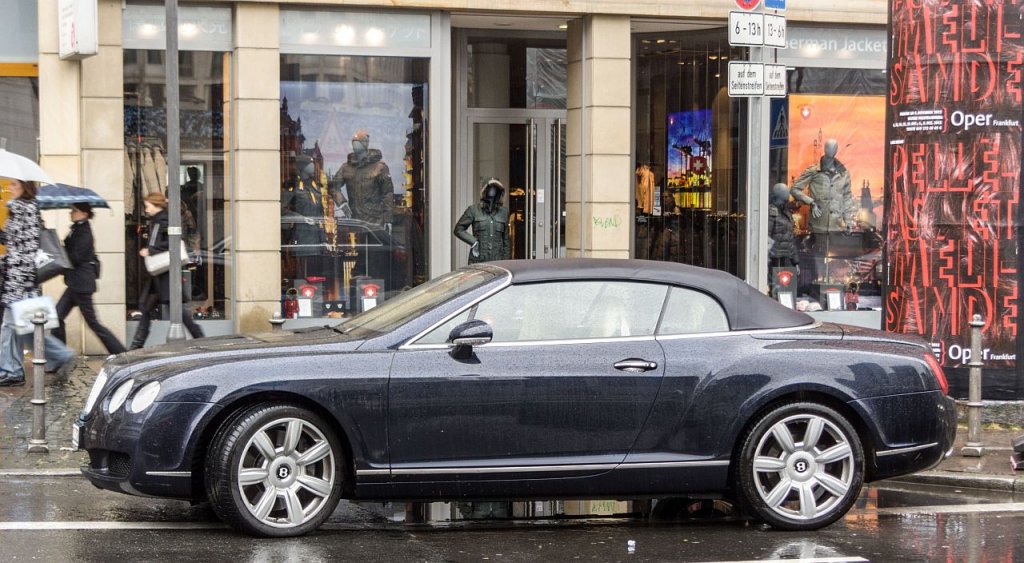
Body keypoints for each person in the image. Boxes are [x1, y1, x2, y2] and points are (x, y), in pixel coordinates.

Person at [0, 179, 74, 386]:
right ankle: (13, 370)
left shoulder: (21, 208)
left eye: (14, 184)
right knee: (21, 328)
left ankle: (13, 369)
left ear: (24, 186)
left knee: (14, 328)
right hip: (21, 278)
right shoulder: (28, 208)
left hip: (19, 280)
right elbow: (15, 241)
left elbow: (25, 248)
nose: (10, 188)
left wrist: (18, 277)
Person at [130, 192, 204, 349]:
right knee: (146, 309)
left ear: (156, 205)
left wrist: (151, 250)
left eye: (148, 206)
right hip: (158, 274)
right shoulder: (156, 220)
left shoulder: (164, 220)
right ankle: (135, 346)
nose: (146, 209)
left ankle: (200, 338)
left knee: (179, 313)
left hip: (165, 274)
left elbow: (173, 241)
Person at [52, 203, 126, 355]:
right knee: (56, 317)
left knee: (93, 323)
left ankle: (120, 352)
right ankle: (60, 356)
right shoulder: (76, 229)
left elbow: (76, 257)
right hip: (75, 283)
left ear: (84, 214)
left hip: (81, 284)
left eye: (74, 210)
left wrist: (59, 251)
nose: (71, 212)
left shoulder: (84, 232)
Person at [790, 139, 856, 234]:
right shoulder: (813, 171)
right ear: (824, 148)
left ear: (837, 150)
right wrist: (811, 202)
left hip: (836, 227)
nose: (832, 150)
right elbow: (794, 189)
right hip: (817, 226)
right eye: (829, 147)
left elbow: (847, 198)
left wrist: (848, 221)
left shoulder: (843, 173)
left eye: (834, 148)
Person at [331, 130, 395, 225]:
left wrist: (388, 220)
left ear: (365, 144)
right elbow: (333, 186)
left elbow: (387, 194)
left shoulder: (379, 167)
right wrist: (341, 202)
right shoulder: (346, 167)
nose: (355, 145)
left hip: (375, 221)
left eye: (358, 142)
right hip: (355, 220)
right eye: (353, 142)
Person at [454, 178, 511, 264]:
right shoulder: (473, 210)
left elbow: (506, 240)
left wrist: (506, 262)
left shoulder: (504, 212)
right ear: (484, 191)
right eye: (490, 188)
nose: (492, 190)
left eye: (495, 188)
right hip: (478, 260)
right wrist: (473, 241)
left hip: (498, 261)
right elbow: (458, 229)